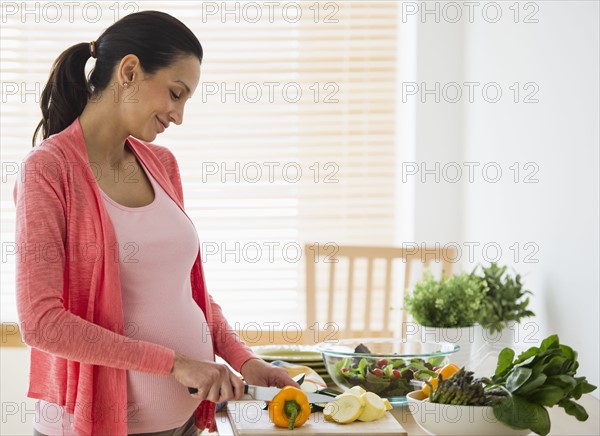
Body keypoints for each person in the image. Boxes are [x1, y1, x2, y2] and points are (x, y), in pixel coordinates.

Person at [15, 10, 298, 436]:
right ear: (129, 71)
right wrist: (176, 364)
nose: (178, 115)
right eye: (175, 93)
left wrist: (244, 359)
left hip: (185, 422)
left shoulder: (160, 164)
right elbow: (42, 323)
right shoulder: (49, 170)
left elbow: (188, 292)